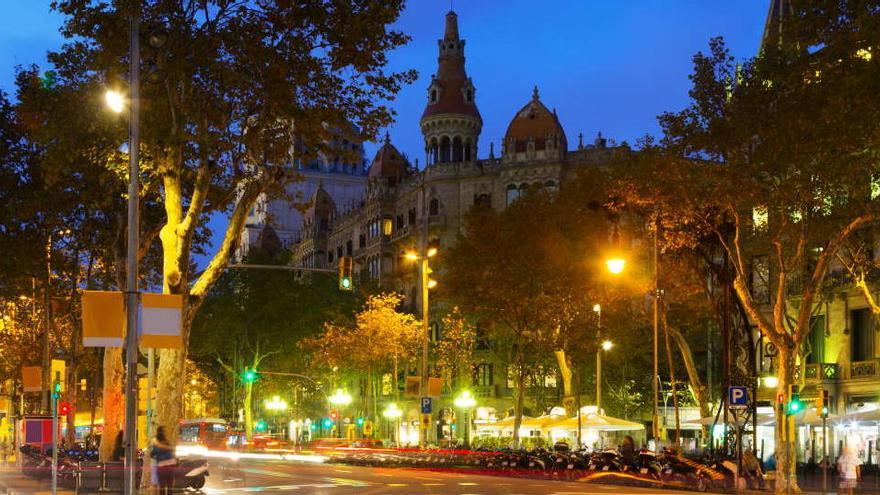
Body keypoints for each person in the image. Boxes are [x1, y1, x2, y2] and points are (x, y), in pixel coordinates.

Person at [150, 426, 176, 495]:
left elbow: (152, 454)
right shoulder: (167, 442)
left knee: (162, 486)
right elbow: (172, 450)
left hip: (162, 466)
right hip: (171, 464)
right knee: (170, 486)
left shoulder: (156, 443)